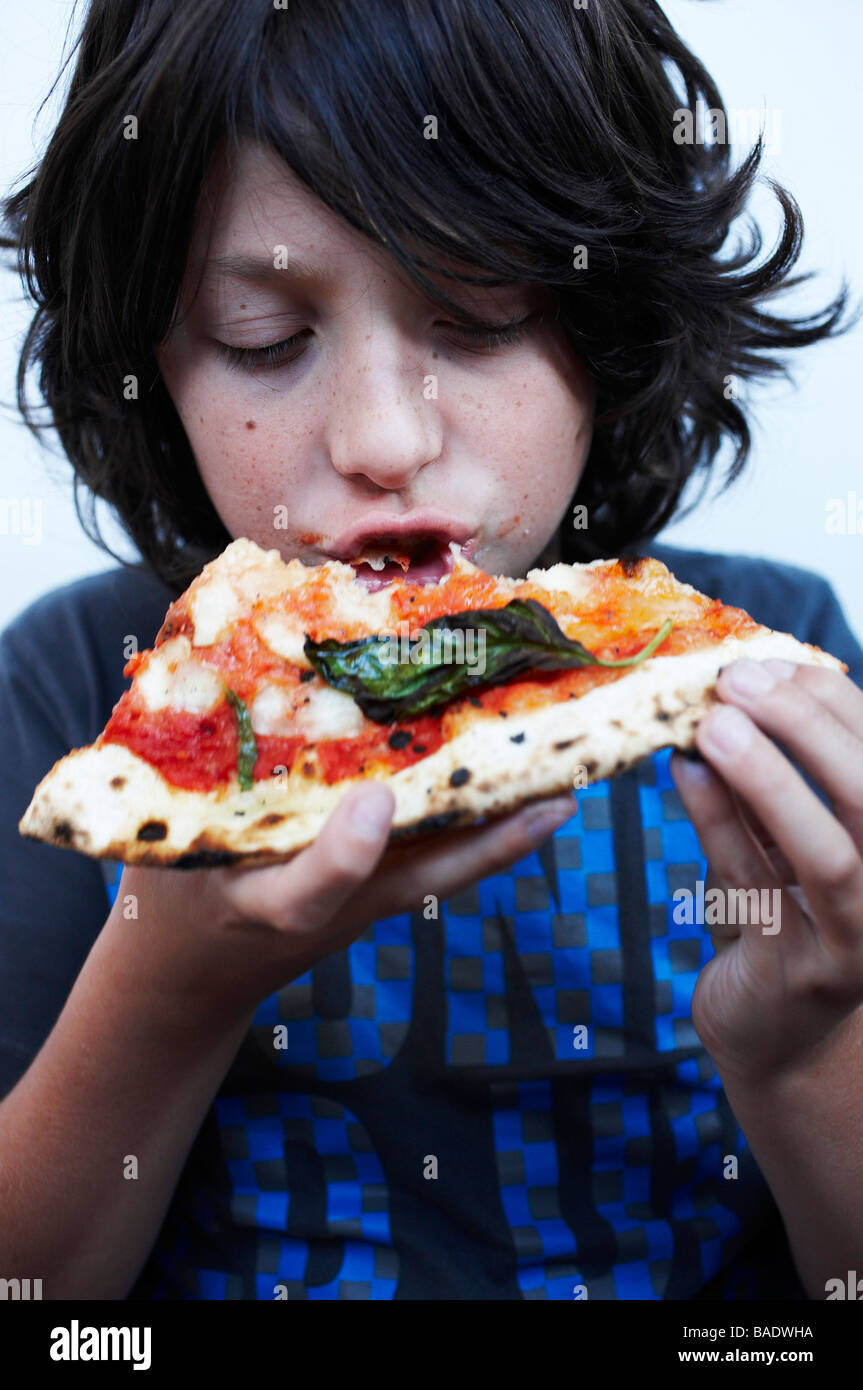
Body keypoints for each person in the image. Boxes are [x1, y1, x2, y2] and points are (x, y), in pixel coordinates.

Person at [0, 0, 860, 1301]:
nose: (385, 440)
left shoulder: (776, 670)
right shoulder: (95, 688)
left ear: (610, 325)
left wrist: (805, 1052)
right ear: (155, 365)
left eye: (477, 313)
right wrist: (167, 988)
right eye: (264, 338)